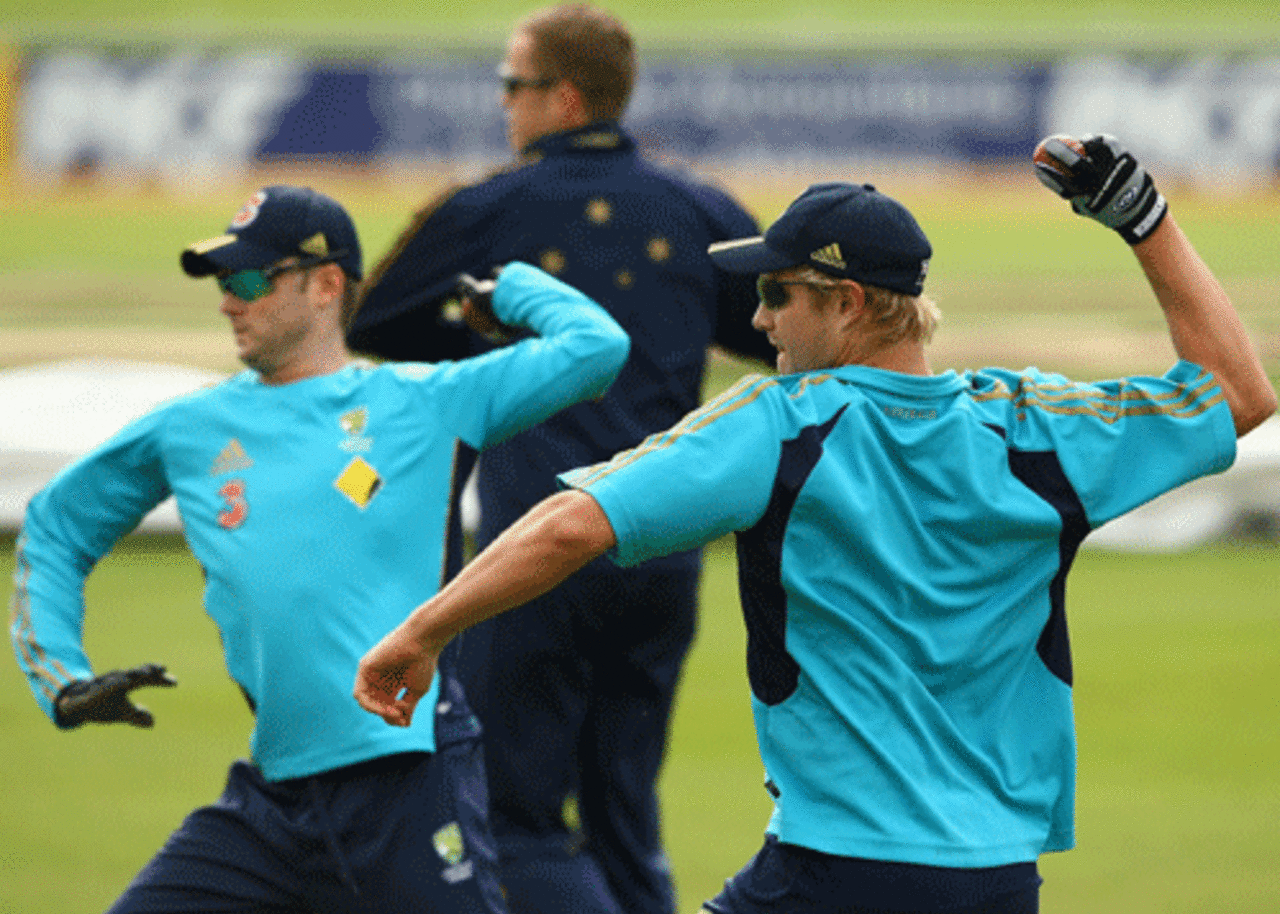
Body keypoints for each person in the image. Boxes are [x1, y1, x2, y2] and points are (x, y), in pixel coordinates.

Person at [353, 134, 1277, 914]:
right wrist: (1142, 221)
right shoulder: (1032, 426)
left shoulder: (782, 424)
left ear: (849, 303)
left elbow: (567, 528)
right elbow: (1237, 394)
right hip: (998, 878)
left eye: (777, 295)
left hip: (835, 869)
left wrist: (421, 633)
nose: (756, 320)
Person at [9, 184, 631, 914]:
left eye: (248, 281)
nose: (228, 302)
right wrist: (61, 673)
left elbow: (597, 348)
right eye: (221, 284)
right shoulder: (191, 426)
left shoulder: (430, 400)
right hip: (270, 805)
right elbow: (55, 524)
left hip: (411, 780)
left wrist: (511, 291)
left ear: (326, 285)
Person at [347, 6, 774, 914]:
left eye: (514, 85)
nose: (503, 103)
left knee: (520, 818)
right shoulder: (698, 205)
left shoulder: (487, 208)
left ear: (564, 96)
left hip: (531, 554)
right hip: (663, 552)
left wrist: (498, 349)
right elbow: (778, 333)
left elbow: (371, 322)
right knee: (625, 808)